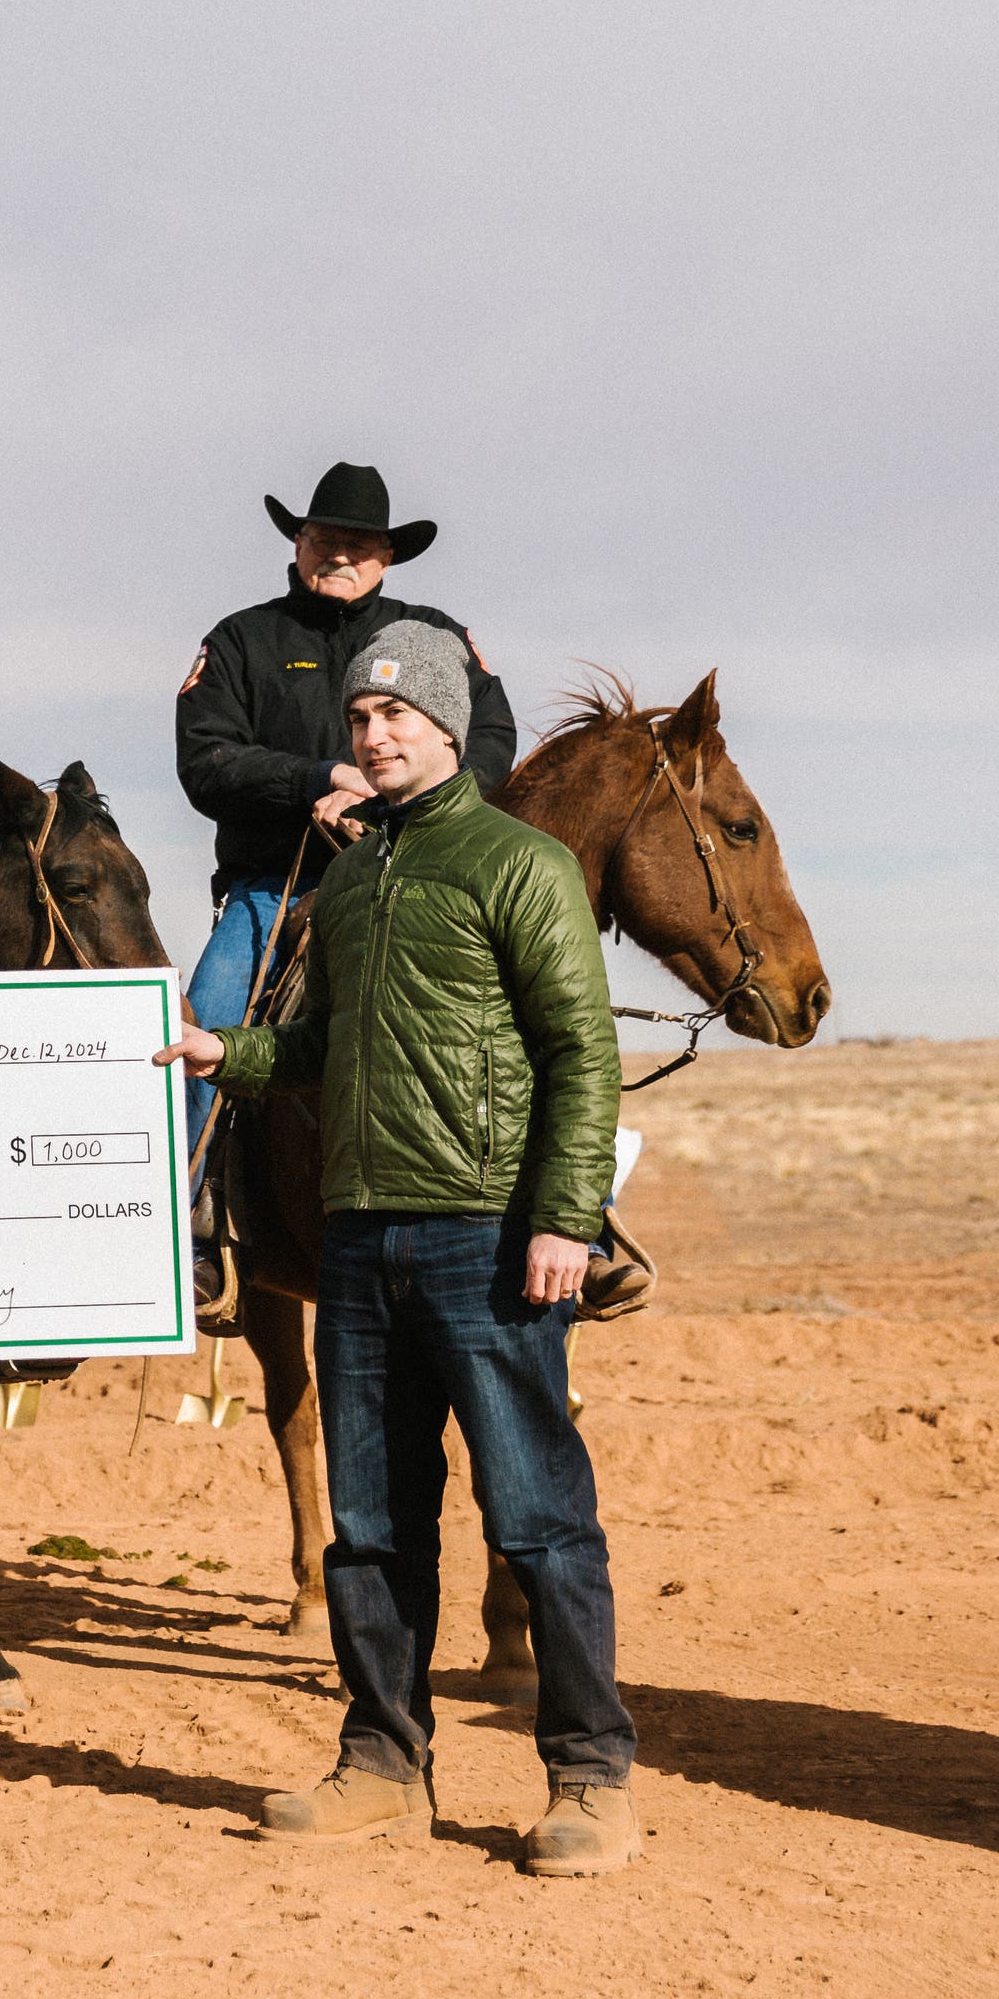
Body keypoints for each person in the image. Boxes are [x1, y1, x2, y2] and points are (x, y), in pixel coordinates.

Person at [156, 621, 638, 1876]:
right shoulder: (354, 882)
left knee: (536, 1517)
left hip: (490, 1236)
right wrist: (229, 1052)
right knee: (370, 1523)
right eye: (361, 719)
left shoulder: (521, 864)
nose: (373, 736)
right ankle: (382, 1759)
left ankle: (590, 1777)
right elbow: (320, 1049)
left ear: (446, 729)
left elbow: (583, 1051)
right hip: (360, 1242)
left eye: (397, 717)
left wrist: (565, 1216)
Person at [171, 463, 515, 1152]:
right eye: (324, 540)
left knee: (522, 1026)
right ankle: (190, 1203)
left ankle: (582, 1210)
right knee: (200, 1036)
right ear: (297, 542)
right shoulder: (240, 640)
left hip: (422, 878)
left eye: (359, 545)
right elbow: (206, 761)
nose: (340, 556)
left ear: (387, 556)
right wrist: (320, 778)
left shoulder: (435, 639)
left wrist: (402, 803)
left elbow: (491, 740)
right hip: (273, 889)